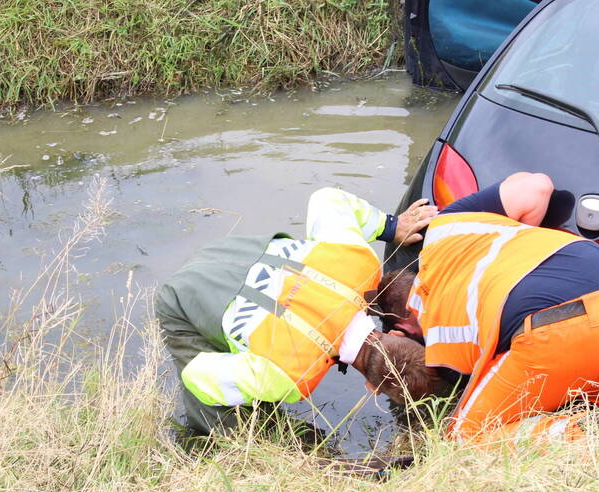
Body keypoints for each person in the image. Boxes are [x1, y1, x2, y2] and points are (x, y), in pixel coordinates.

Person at [375, 172, 599, 445]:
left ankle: (584, 431)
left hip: (557, 325)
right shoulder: (446, 225)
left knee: (466, 436)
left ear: (402, 328)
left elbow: (480, 387)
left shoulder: (442, 338)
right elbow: (538, 186)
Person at [155, 187, 440, 437]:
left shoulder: (362, 264)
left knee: (255, 380)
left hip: (230, 251)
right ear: (371, 387)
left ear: (398, 334)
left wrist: (391, 226)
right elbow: (197, 374)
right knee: (222, 411)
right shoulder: (291, 378)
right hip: (181, 296)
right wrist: (255, 380)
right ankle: (209, 443)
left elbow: (327, 199)